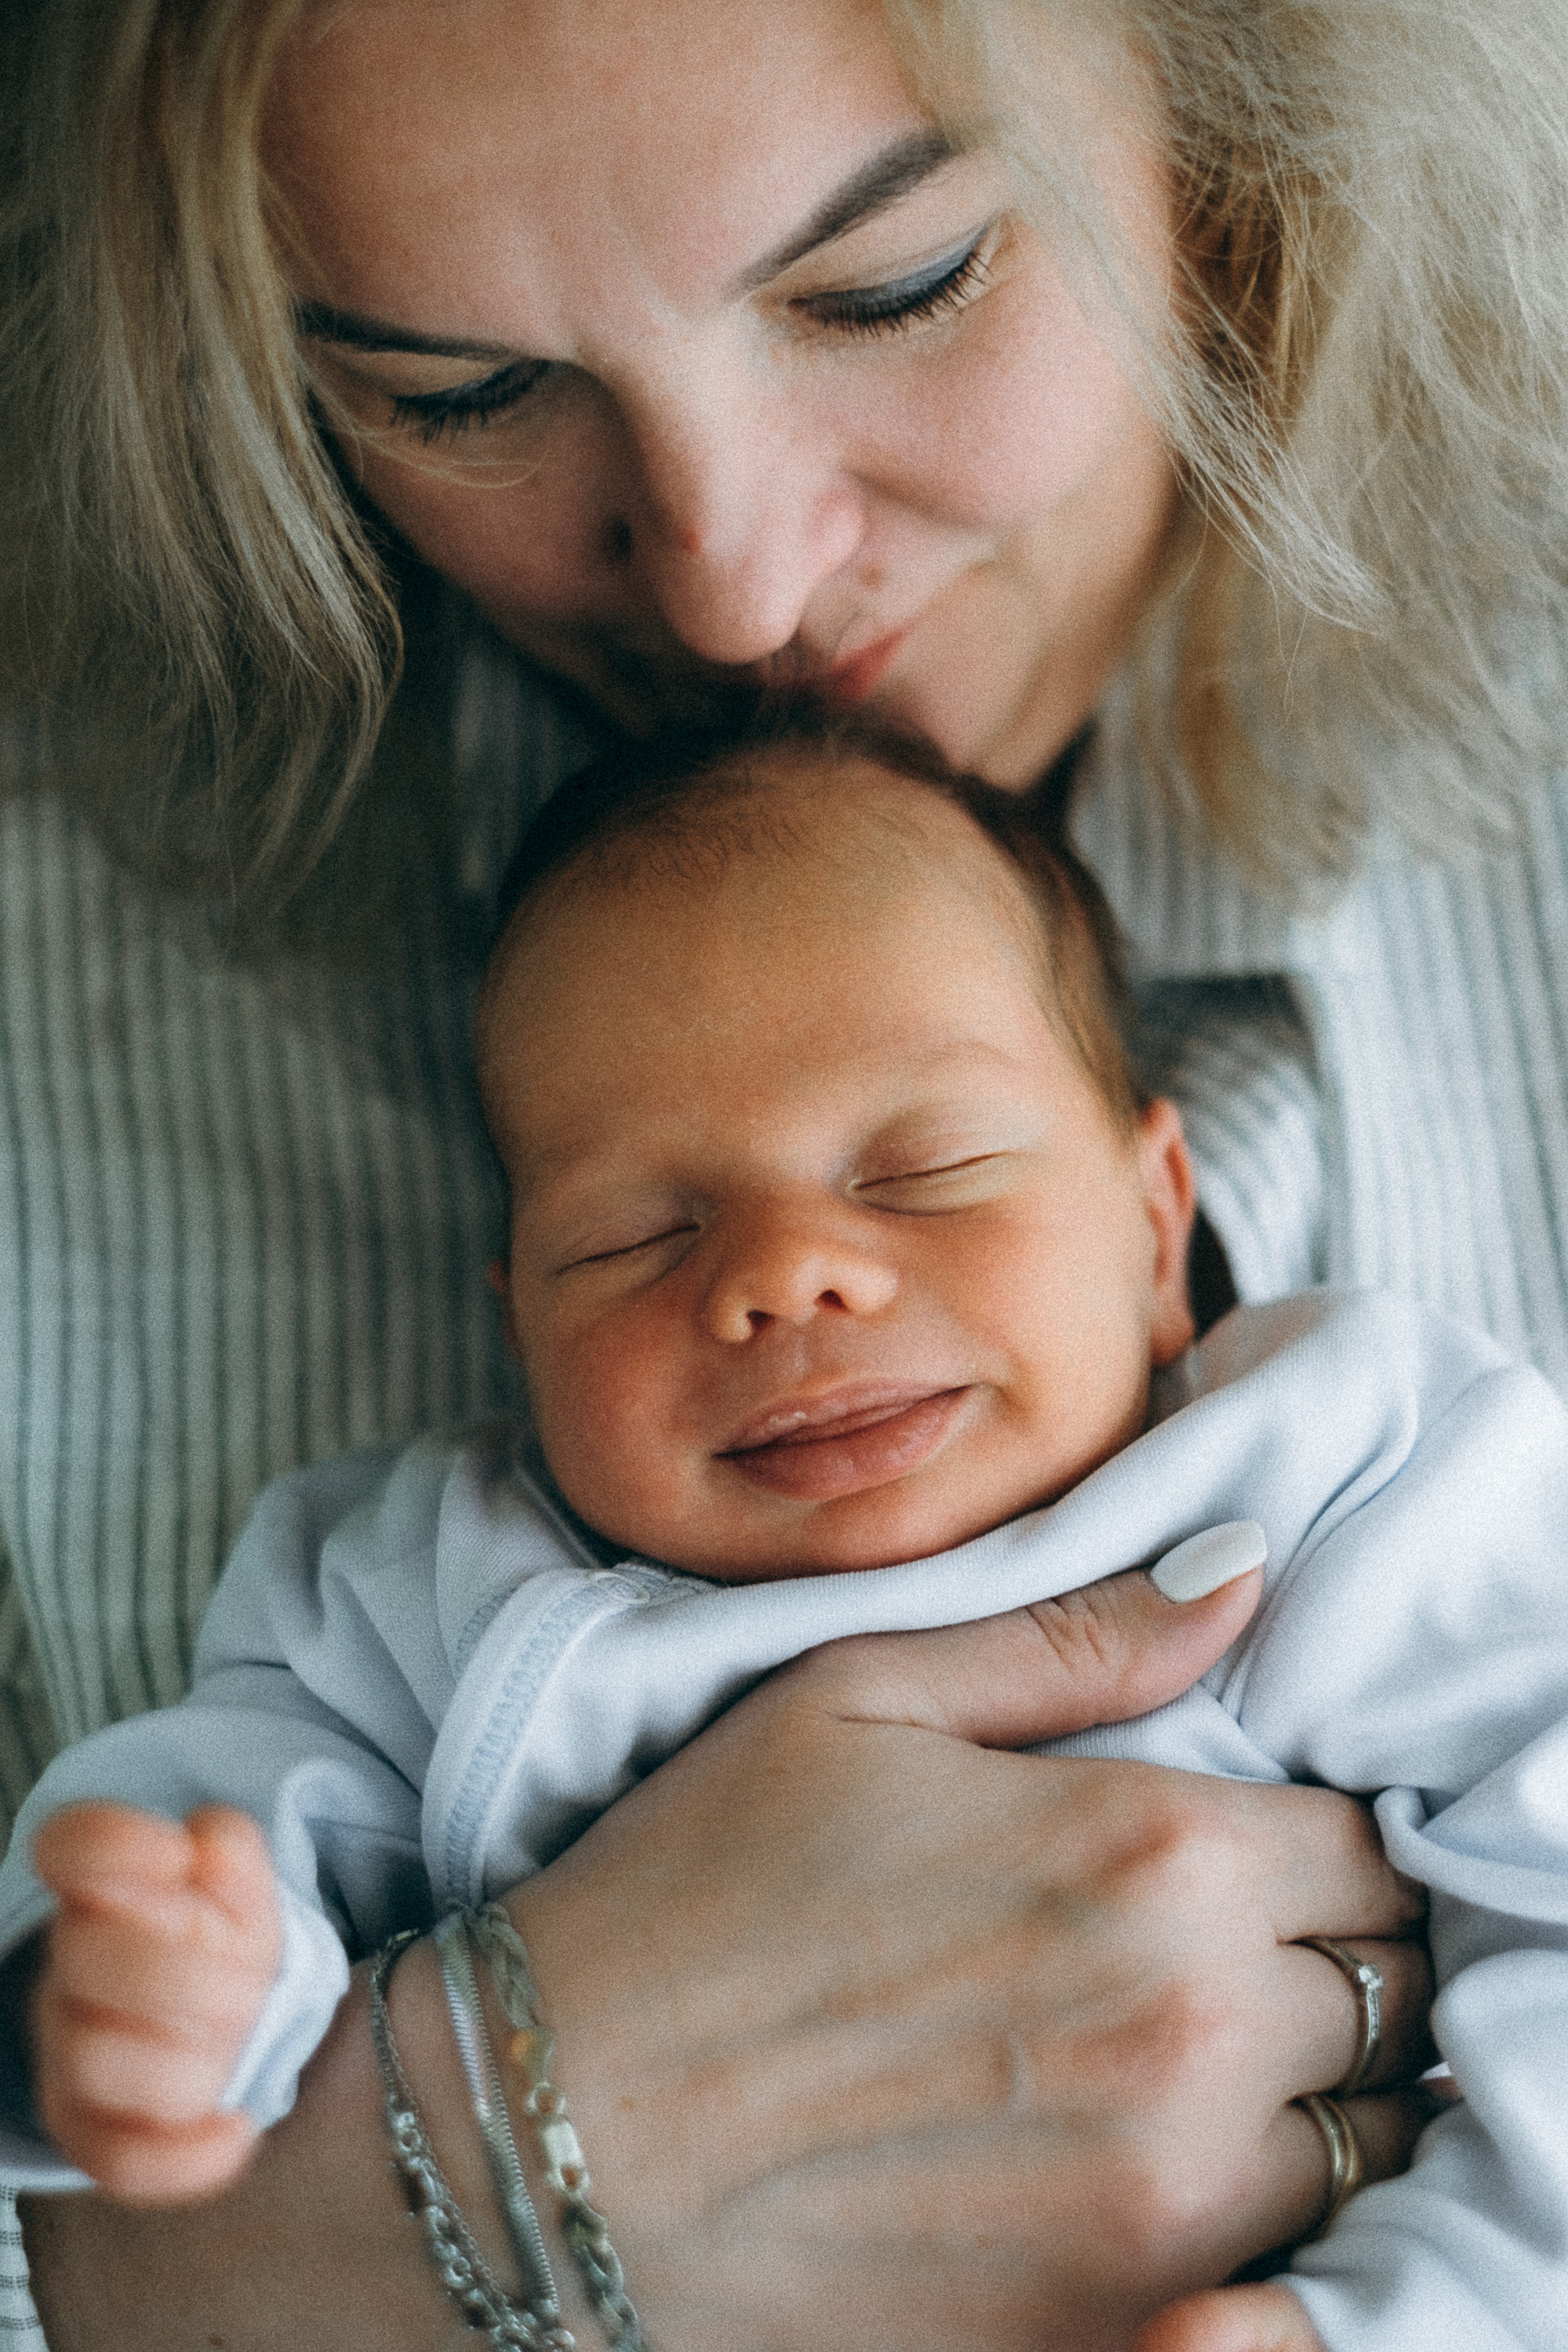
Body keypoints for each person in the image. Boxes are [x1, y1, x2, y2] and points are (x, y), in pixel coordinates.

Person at [2, 0, 1566, 2346]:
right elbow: (189, 1856)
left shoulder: (1338, 1462)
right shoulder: (424, 1571)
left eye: (896, 281)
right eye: (454, 392)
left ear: (1263, 140)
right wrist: (165, 2055)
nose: (734, 591)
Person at [10, 731, 1568, 2352]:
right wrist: (137, 1984)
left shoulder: (1333, 1468)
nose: (783, 1274)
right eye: (635, 1237)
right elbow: (204, 1822)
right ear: (519, 1334)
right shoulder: (435, 1584)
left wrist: (1405, 2321)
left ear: (1159, 1223)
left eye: (922, 1169)